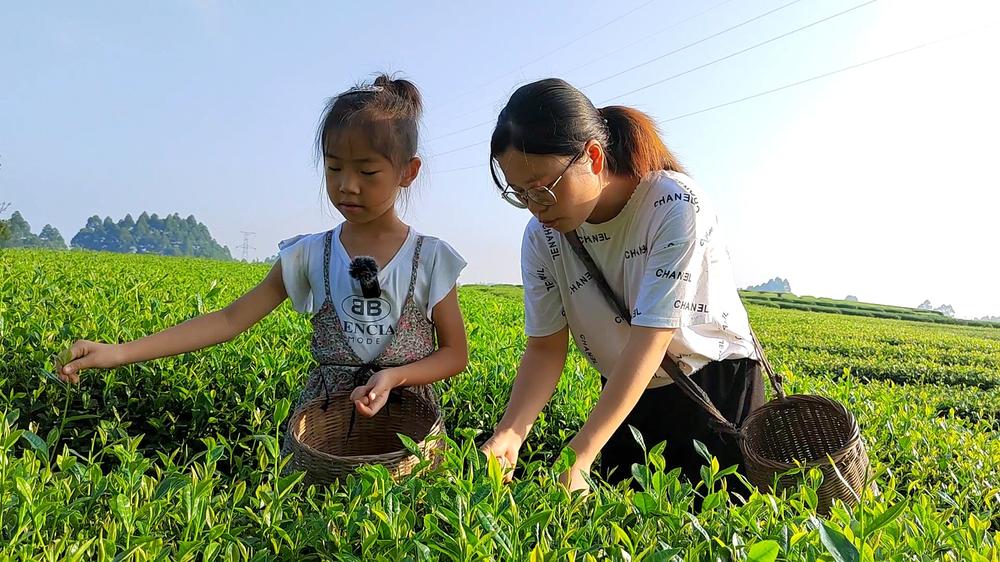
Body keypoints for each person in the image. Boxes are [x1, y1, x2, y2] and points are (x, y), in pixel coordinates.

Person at [56, 74, 469, 467]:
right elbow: (229, 319)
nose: (347, 185)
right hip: (321, 428)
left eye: (367, 171)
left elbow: (455, 354)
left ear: (407, 172)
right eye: (334, 167)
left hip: (410, 431)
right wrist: (119, 352)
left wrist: (395, 377)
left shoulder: (430, 258)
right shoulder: (310, 254)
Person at [481, 78, 763, 495]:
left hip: (711, 389)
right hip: (626, 393)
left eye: (542, 189)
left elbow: (651, 339)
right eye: (520, 195)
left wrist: (581, 453)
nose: (536, 209)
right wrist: (511, 432)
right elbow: (544, 348)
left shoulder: (673, 205)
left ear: (593, 157)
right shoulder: (541, 237)